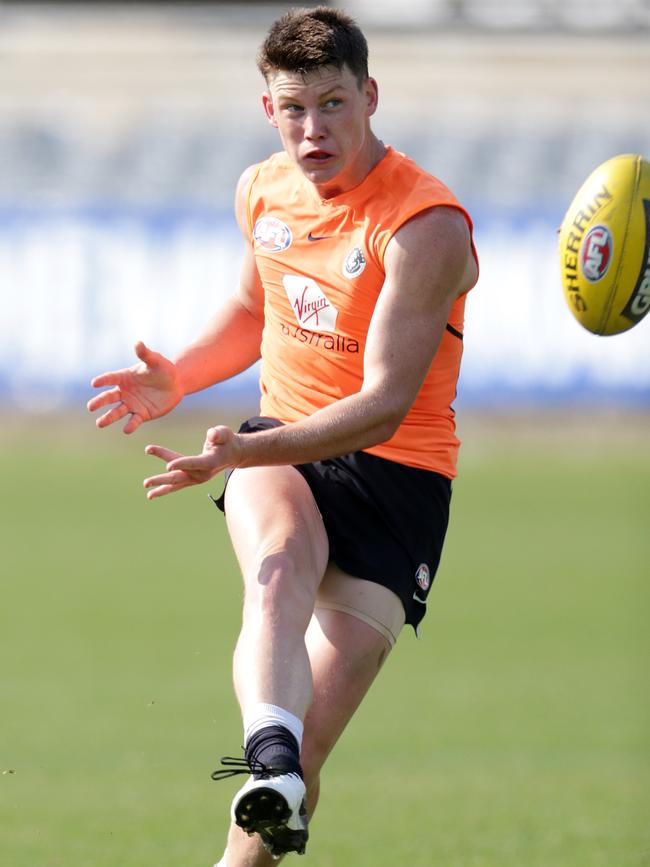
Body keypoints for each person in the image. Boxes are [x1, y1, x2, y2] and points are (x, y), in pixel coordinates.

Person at [87, 7, 479, 865]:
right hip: (284, 444)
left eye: (333, 105)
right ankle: (266, 760)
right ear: (268, 109)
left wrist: (238, 452)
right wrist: (181, 376)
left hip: (399, 483)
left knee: (307, 751)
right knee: (278, 562)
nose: (314, 130)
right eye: (294, 109)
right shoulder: (261, 189)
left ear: (370, 97)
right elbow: (252, 307)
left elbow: (383, 403)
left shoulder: (425, 226)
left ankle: (275, 784)